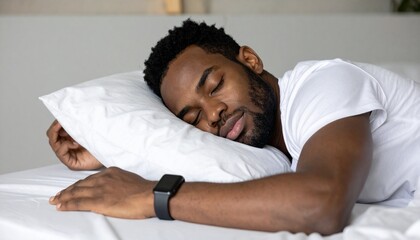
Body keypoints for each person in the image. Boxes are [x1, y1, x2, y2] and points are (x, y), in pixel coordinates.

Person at [47, 19, 420, 235]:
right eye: (192, 118)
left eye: (214, 85)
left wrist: (153, 196)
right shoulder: (276, 149)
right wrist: (108, 149)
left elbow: (322, 203)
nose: (214, 113)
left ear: (251, 60)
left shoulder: (322, 84)